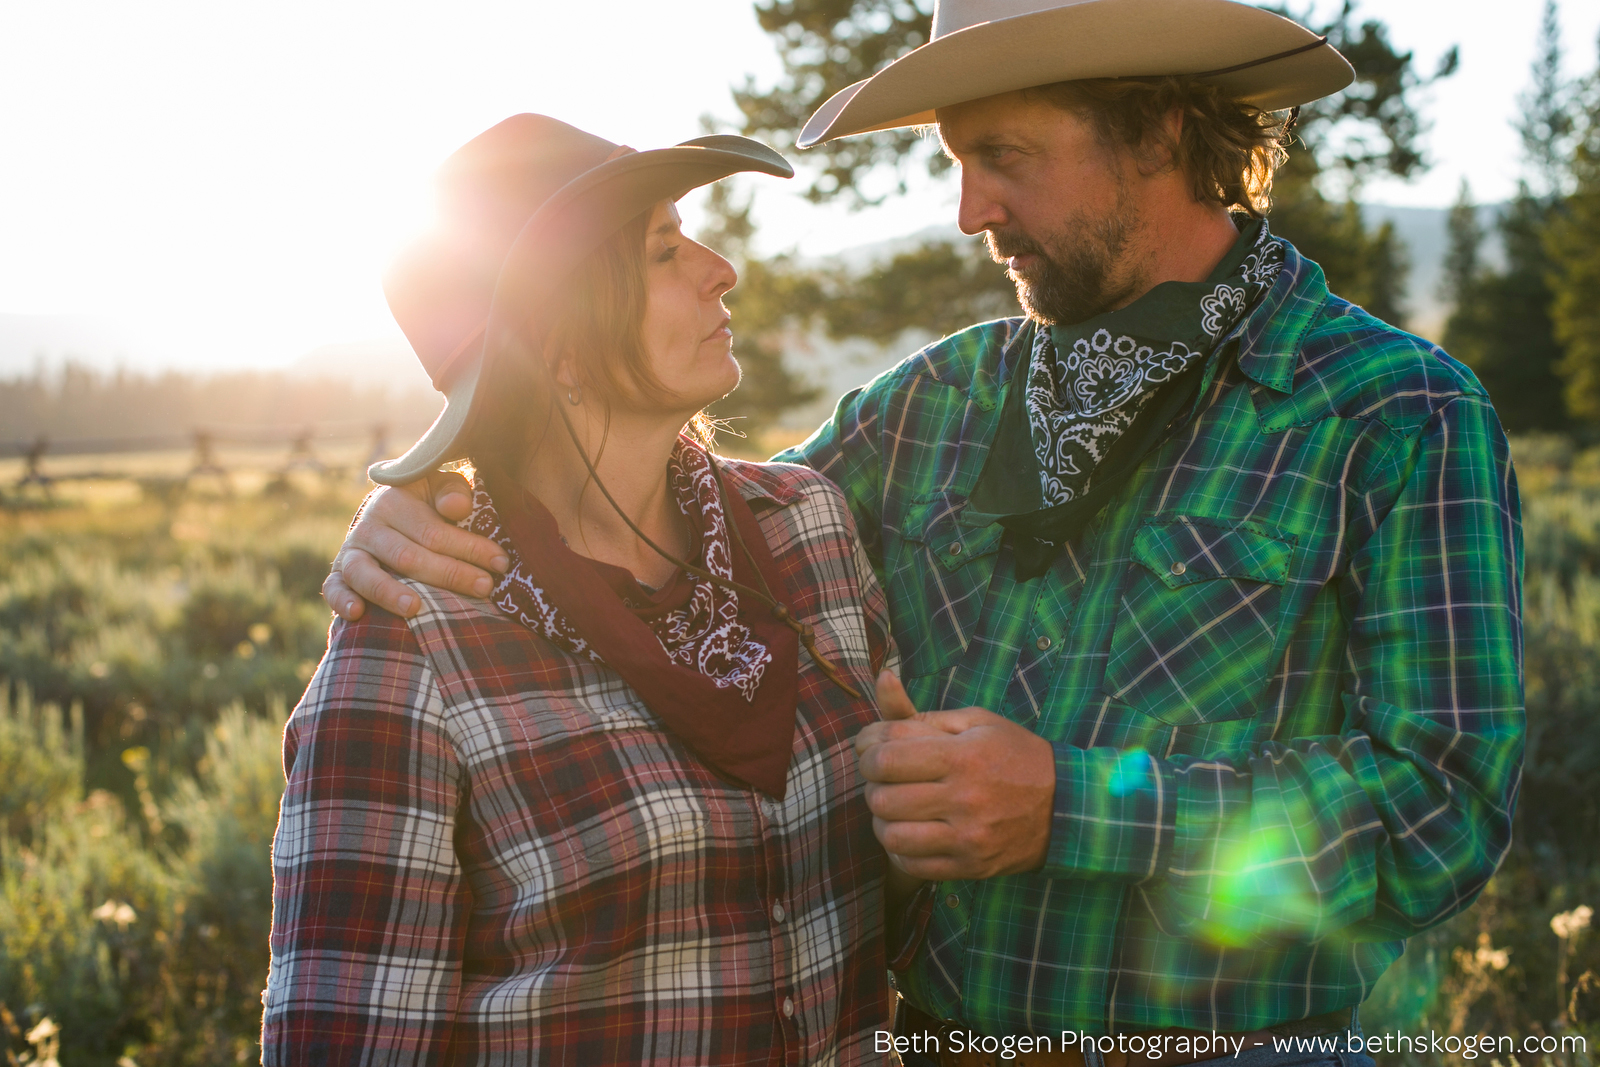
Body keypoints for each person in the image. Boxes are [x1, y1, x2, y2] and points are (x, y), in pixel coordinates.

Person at [322, 1, 1526, 1064]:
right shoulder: (933, 405)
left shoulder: (1394, 412)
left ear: (1159, 130)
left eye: (1002, 156)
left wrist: (1074, 802)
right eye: (957, 162)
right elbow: (661, 523)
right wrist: (437, 497)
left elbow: (1442, 812)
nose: (966, 212)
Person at [262, 114, 909, 1065]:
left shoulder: (804, 529)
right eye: (661, 249)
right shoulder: (417, 647)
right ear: (559, 346)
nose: (717, 265)